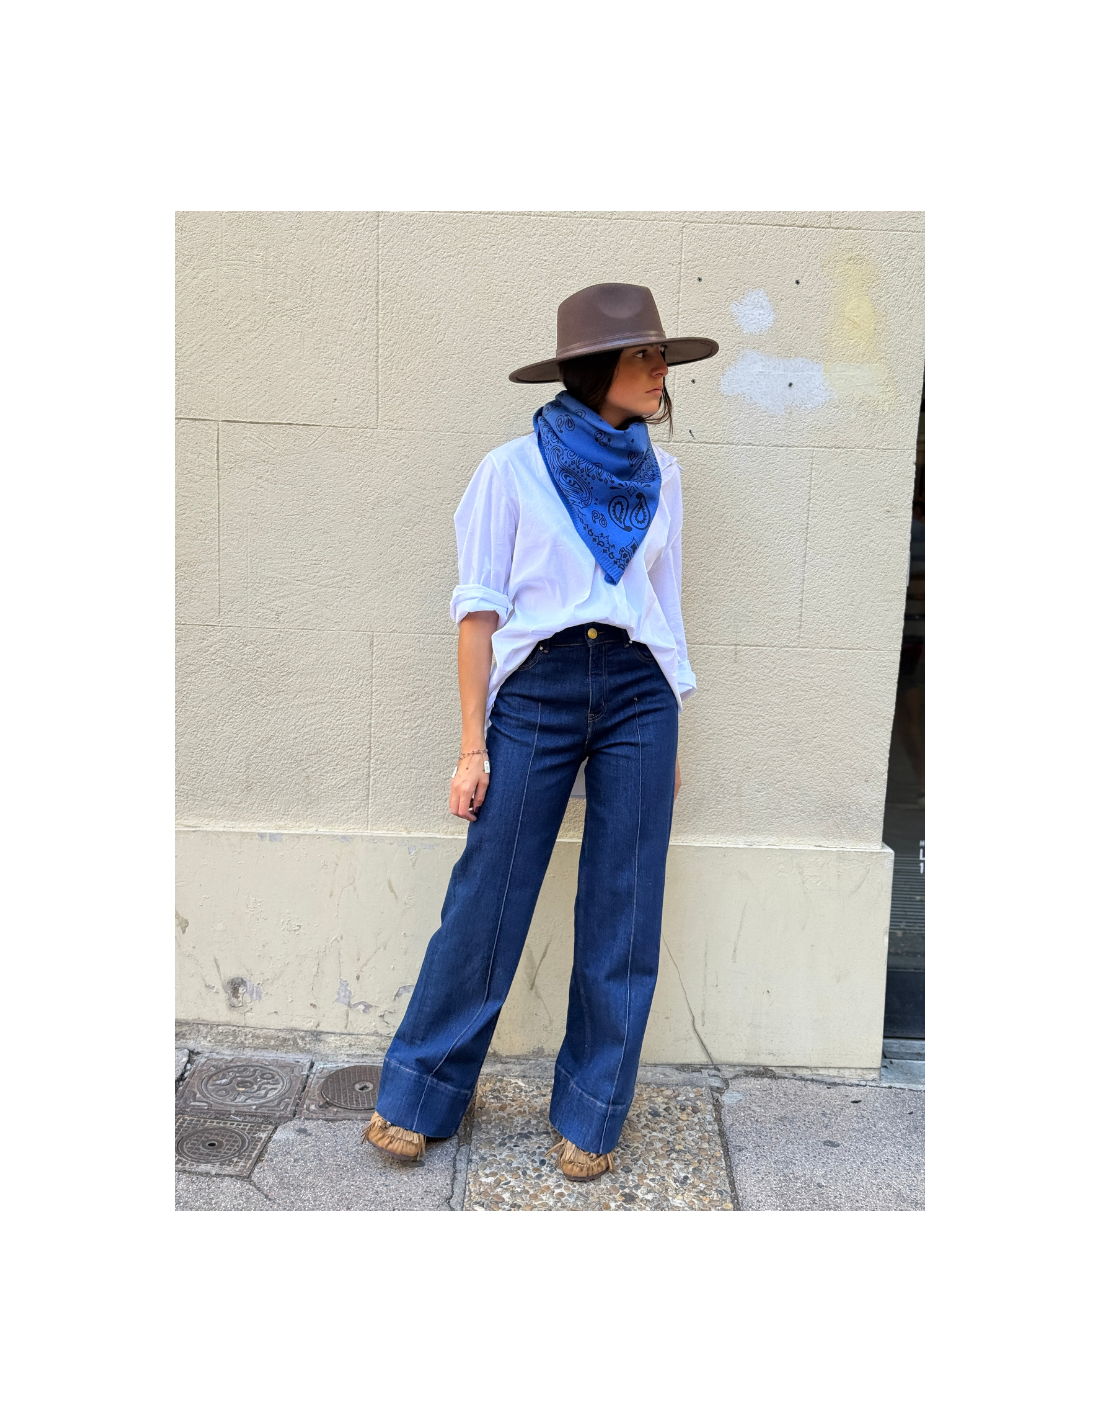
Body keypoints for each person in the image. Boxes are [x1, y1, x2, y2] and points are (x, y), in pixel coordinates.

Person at [364, 283, 718, 1181]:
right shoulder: (510, 470)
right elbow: (478, 613)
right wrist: (470, 745)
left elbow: (663, 606)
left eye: (662, 356)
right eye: (643, 356)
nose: (660, 371)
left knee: (624, 906)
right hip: (538, 688)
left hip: (639, 691)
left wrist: (673, 721)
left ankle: (592, 1112)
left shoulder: (663, 477)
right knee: (488, 894)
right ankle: (420, 1092)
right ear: (594, 368)